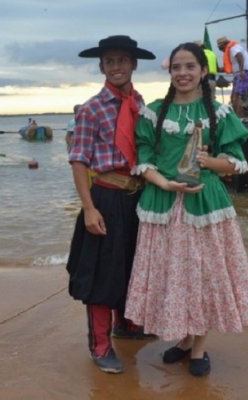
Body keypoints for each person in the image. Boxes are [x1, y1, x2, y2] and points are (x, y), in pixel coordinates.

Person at [124, 42, 248, 377]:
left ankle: (199, 347)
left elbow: (236, 163)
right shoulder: (154, 112)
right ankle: (185, 340)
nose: (183, 73)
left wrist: (207, 161)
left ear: (203, 71)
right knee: (175, 276)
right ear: (170, 73)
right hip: (164, 203)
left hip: (205, 205)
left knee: (203, 276)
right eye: (177, 67)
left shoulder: (219, 113)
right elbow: (143, 160)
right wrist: (166, 184)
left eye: (190, 67)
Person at [66, 35, 156, 374]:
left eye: (123, 60)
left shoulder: (140, 104)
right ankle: (100, 345)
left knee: (132, 265)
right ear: (102, 67)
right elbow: (78, 160)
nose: (116, 67)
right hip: (105, 196)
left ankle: (127, 325)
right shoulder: (91, 109)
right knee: (103, 274)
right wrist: (89, 208)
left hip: (137, 198)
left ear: (134, 64)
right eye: (110, 61)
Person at [216, 36, 248, 116]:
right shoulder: (231, 49)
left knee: (236, 97)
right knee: (233, 97)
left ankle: (237, 118)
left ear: (223, 45)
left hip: (245, 73)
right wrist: (218, 69)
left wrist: (242, 70)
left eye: (221, 49)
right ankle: (239, 115)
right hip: (238, 74)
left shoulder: (233, 48)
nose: (222, 51)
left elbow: (240, 56)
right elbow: (232, 66)